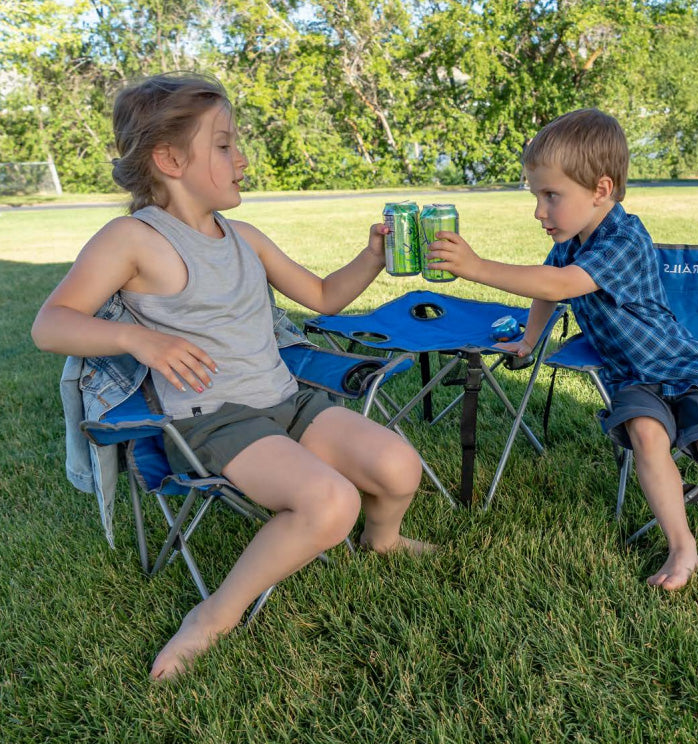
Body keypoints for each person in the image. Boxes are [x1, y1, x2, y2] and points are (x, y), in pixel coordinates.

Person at [31, 72, 431, 680]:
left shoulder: (245, 237)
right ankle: (214, 614)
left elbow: (323, 296)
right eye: (223, 144)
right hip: (213, 419)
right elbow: (51, 324)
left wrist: (373, 258)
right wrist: (137, 338)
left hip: (286, 401)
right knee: (331, 502)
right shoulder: (133, 239)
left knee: (400, 466)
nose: (242, 158)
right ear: (169, 159)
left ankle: (383, 542)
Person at [424, 108, 698, 591]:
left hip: (686, 371)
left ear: (600, 190)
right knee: (646, 434)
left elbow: (560, 284)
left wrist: (476, 267)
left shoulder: (623, 240)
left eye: (551, 196)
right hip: (632, 378)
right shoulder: (570, 242)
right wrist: (531, 338)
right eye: (536, 195)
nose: (539, 211)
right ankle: (683, 546)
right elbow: (547, 288)